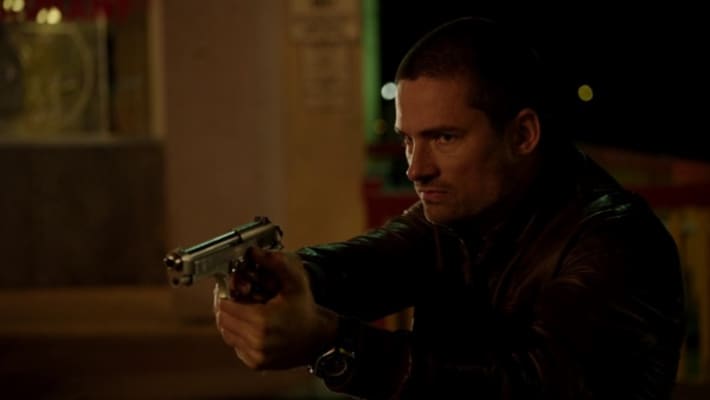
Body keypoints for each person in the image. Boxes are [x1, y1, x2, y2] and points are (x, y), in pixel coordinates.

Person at [214, 16, 686, 399]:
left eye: (444, 138)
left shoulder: (616, 240)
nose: (416, 169)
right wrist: (283, 276)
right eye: (407, 140)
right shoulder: (462, 214)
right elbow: (368, 264)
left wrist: (333, 341)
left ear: (523, 135)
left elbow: (534, 387)